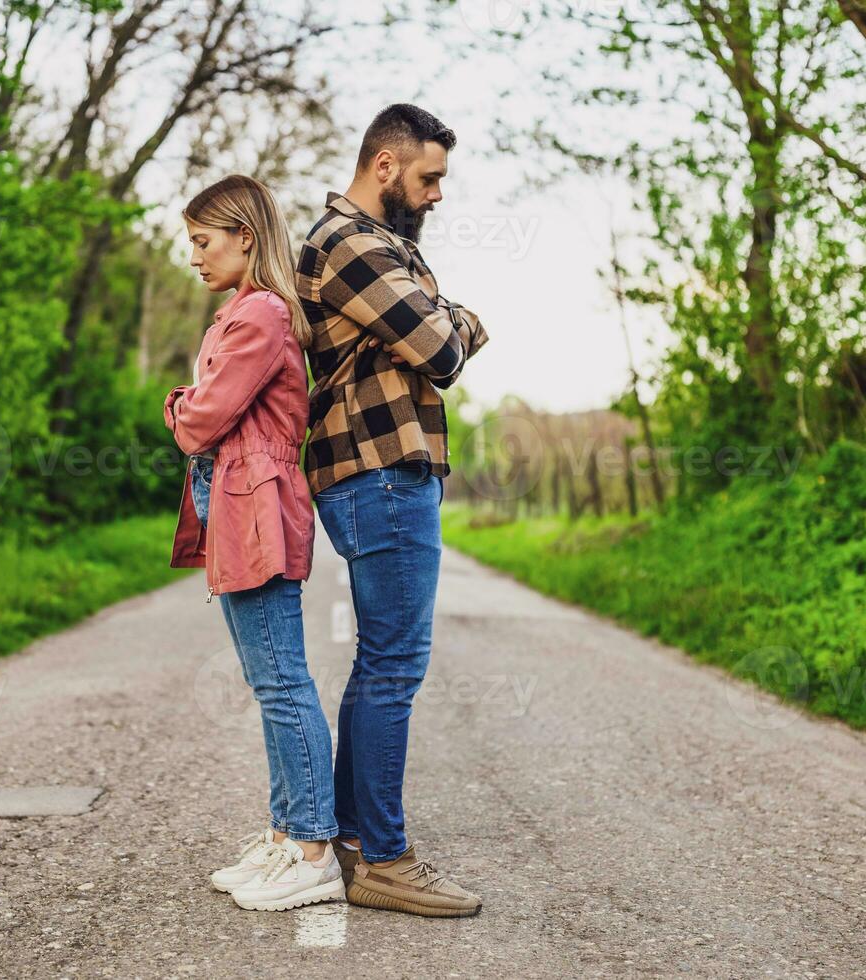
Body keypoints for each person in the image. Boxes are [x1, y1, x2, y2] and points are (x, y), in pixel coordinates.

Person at [296, 104, 490, 917]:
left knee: (381, 662)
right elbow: (445, 349)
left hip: (379, 471)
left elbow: (428, 338)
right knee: (393, 666)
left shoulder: (384, 250)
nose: (438, 193)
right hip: (380, 470)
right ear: (385, 165)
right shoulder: (351, 243)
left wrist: (429, 321)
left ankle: (351, 839)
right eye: (429, 177)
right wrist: (457, 319)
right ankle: (384, 859)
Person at [163, 174, 345, 912]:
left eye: (204, 242)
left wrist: (176, 405)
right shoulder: (242, 313)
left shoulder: (261, 314)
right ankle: (284, 835)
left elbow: (201, 422)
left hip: (255, 504)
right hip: (237, 499)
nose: (196, 258)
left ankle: (312, 850)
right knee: (268, 682)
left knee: (281, 681)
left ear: (246, 234)